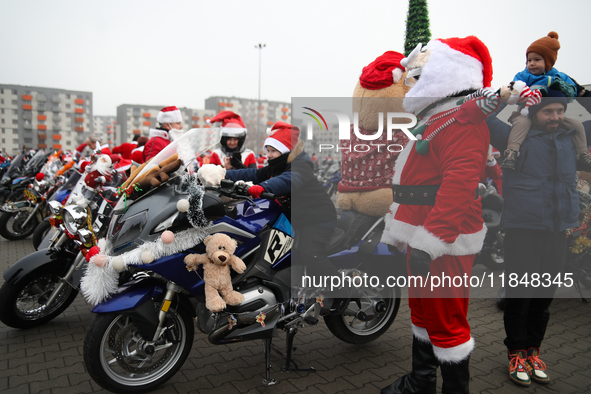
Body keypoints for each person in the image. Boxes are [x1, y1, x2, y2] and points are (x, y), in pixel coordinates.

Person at [380, 36, 495, 394]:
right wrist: (397, 234)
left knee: (446, 320)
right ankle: (421, 382)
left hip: (444, 240)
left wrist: (431, 243)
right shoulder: (436, 119)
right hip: (421, 234)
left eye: (418, 73)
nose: (410, 81)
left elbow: (457, 187)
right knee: (424, 314)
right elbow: (414, 183)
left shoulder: (462, 122)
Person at [487, 94, 578, 388]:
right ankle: (515, 354)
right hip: (523, 230)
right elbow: (485, 118)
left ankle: (533, 352)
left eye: (560, 110)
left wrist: (577, 90)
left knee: (543, 298)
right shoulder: (515, 135)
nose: (555, 117)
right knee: (520, 296)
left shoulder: (569, 136)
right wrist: (509, 96)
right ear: (533, 112)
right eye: (548, 111)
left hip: (557, 230)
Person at [222, 121, 336, 278]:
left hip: (317, 219)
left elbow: (288, 180)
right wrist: (220, 174)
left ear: (286, 151)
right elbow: (253, 175)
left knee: (310, 254)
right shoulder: (277, 165)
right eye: (268, 150)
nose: (268, 155)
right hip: (294, 219)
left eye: (273, 151)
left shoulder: (300, 166)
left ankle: (341, 291)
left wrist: (263, 187)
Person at [502, 31, 591, 171]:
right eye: (529, 60)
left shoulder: (559, 76)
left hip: (550, 114)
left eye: (537, 60)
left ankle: (582, 155)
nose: (531, 64)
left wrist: (571, 89)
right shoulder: (523, 75)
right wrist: (513, 92)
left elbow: (572, 90)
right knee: (522, 124)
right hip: (527, 111)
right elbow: (514, 88)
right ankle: (512, 152)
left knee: (577, 124)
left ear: (548, 62)